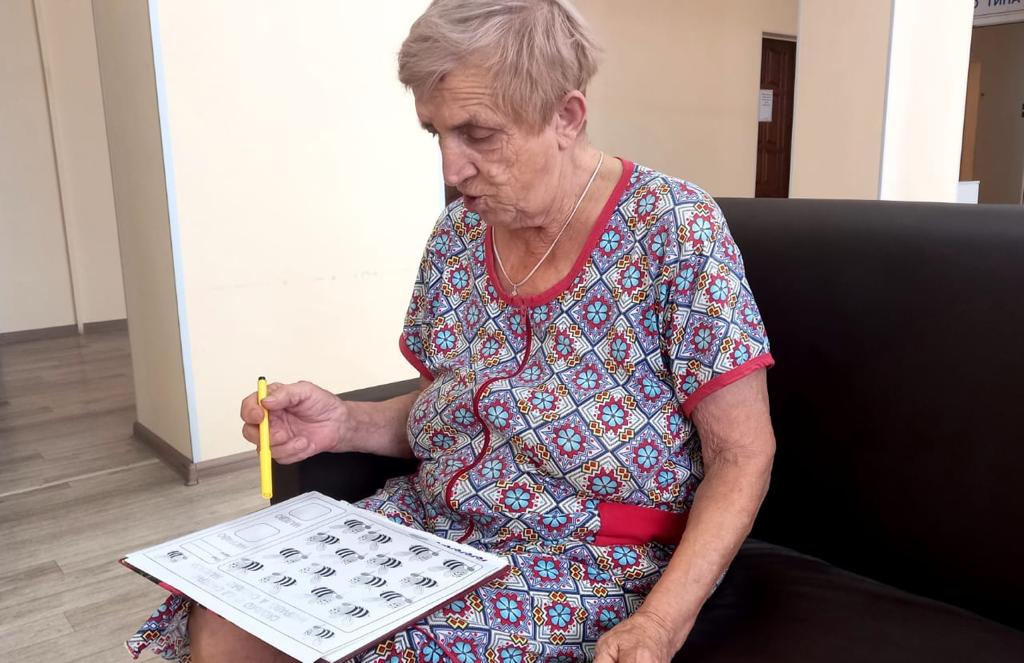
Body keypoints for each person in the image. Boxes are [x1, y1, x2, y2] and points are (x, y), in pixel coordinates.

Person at [127, 1, 776, 661]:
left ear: (566, 117)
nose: (451, 170)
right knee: (232, 617)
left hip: (584, 552)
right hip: (432, 527)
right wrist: (345, 423)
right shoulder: (459, 234)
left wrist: (659, 624)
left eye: (478, 134)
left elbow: (741, 454)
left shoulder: (672, 227)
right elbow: (453, 410)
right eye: (435, 133)